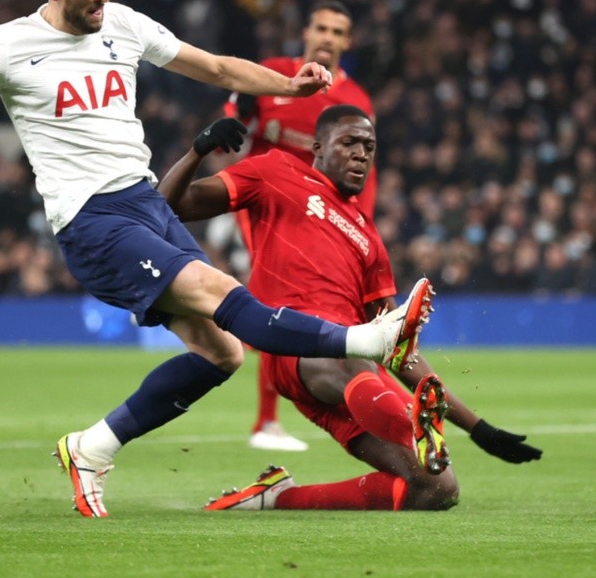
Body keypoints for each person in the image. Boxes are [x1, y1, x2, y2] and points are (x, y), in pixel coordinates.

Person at [0, 0, 431, 518]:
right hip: (91, 220)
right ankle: (365, 340)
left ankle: (91, 448)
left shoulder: (123, 24)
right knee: (220, 290)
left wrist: (290, 87)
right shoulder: (8, 47)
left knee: (223, 352)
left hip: (144, 203)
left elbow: (218, 69)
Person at [158, 106, 543, 511]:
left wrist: (478, 428)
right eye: (350, 143)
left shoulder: (368, 238)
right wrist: (198, 151)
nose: (362, 154)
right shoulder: (275, 171)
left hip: (356, 381)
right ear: (318, 147)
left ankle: (277, 496)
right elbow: (169, 204)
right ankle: (411, 422)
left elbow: (398, 348)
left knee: (436, 488)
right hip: (294, 347)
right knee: (351, 358)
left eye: (369, 147)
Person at [226, 0, 375, 452]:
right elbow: (237, 112)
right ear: (306, 33)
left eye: (337, 31)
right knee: (277, 298)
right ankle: (266, 422)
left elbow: (364, 171)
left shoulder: (357, 102)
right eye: (321, 27)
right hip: (263, 205)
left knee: (290, 307)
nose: (327, 37)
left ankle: (214, 319)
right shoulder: (273, 75)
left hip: (319, 218)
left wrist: (362, 227)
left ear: (347, 43)